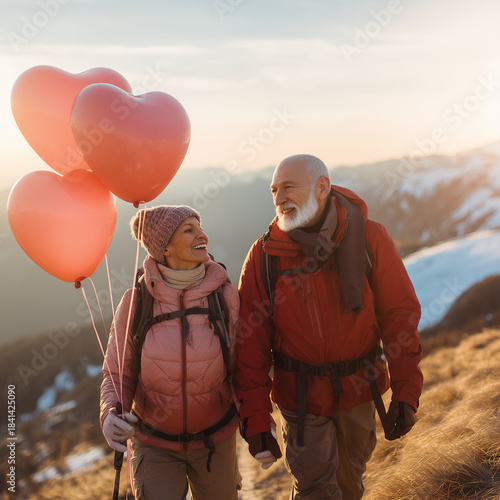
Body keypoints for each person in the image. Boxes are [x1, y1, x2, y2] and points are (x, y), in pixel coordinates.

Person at [233, 154, 423, 499]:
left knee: (350, 486)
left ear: (322, 187)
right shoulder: (264, 255)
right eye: (273, 190)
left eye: (288, 187)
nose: (278, 199)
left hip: (359, 391)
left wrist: (406, 392)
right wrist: (256, 420)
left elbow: (399, 316)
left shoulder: (370, 238)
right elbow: (250, 345)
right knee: (316, 490)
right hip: (300, 400)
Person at [100, 205, 241, 500]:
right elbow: (118, 372)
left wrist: (256, 420)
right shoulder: (137, 302)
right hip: (154, 444)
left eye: (199, 226)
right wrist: (111, 412)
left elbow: (243, 365)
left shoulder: (224, 296)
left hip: (215, 440)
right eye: (188, 230)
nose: (202, 234)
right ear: (164, 247)